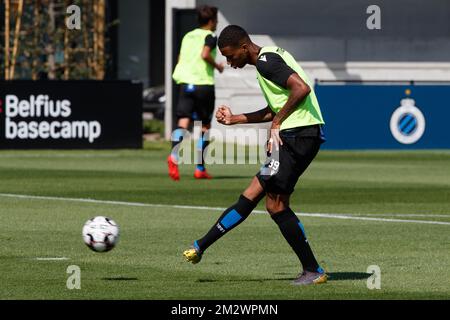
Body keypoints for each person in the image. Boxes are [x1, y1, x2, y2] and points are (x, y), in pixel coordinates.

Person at [183, 25, 328, 285]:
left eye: (230, 56)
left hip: (298, 136)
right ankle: (200, 246)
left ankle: (313, 270)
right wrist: (236, 119)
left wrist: (277, 124)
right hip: (297, 134)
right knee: (252, 192)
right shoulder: (269, 58)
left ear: (244, 47)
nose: (228, 62)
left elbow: (301, 89)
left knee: (275, 205)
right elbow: (278, 105)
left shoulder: (265, 62)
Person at [169, 5, 225, 181]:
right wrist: (218, 66)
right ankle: (200, 168)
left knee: (183, 121)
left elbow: (180, 58)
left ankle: (174, 157)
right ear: (211, 21)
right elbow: (205, 54)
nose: (217, 23)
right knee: (204, 126)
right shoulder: (211, 36)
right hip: (203, 84)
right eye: (216, 20)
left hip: (186, 84)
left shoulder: (188, 35)